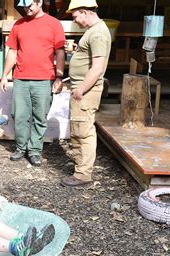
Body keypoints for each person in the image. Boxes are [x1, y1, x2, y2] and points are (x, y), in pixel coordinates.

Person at [0, 0, 66, 167]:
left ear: (40, 2)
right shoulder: (19, 25)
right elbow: (13, 51)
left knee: (40, 117)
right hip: (21, 78)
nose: (26, 8)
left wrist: (59, 76)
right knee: (19, 115)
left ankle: (35, 150)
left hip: (44, 79)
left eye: (30, 4)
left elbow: (60, 52)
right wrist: (5, 74)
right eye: (24, 5)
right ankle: (21, 148)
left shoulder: (53, 24)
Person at [60, 0, 111, 188]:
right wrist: (76, 51)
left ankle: (83, 175)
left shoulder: (97, 34)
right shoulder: (93, 31)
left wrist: (81, 89)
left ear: (84, 12)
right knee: (79, 129)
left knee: (84, 131)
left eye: (75, 17)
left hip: (86, 90)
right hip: (82, 88)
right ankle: (80, 168)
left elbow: (97, 68)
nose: (76, 22)